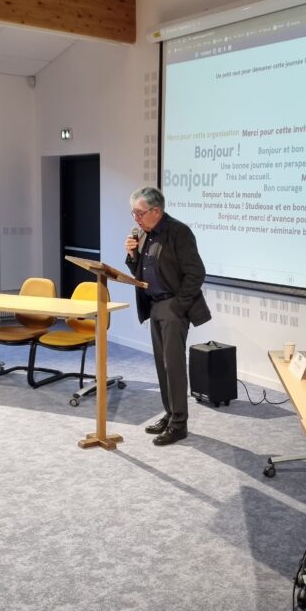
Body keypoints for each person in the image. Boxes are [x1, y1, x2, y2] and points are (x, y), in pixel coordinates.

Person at [125, 187, 211, 446]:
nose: (136, 219)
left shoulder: (178, 232)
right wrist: (132, 256)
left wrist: (178, 306)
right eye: (133, 213)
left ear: (156, 211)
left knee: (173, 366)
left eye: (139, 213)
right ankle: (170, 413)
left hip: (173, 307)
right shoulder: (145, 234)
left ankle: (179, 424)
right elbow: (143, 270)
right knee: (162, 366)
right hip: (154, 306)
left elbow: (196, 272)